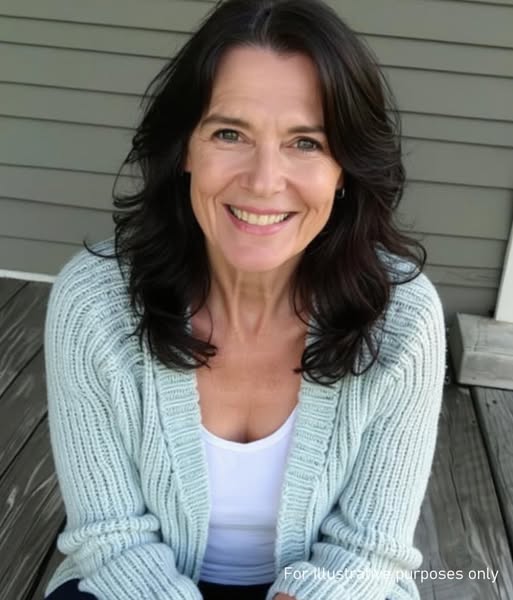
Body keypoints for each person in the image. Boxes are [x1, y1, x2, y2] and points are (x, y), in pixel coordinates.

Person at [43, 0, 446, 599]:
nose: (263, 181)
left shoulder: (402, 317)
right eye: (229, 133)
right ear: (186, 148)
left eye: (305, 142)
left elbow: (367, 549)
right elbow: (111, 537)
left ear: (345, 169)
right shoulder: (94, 304)